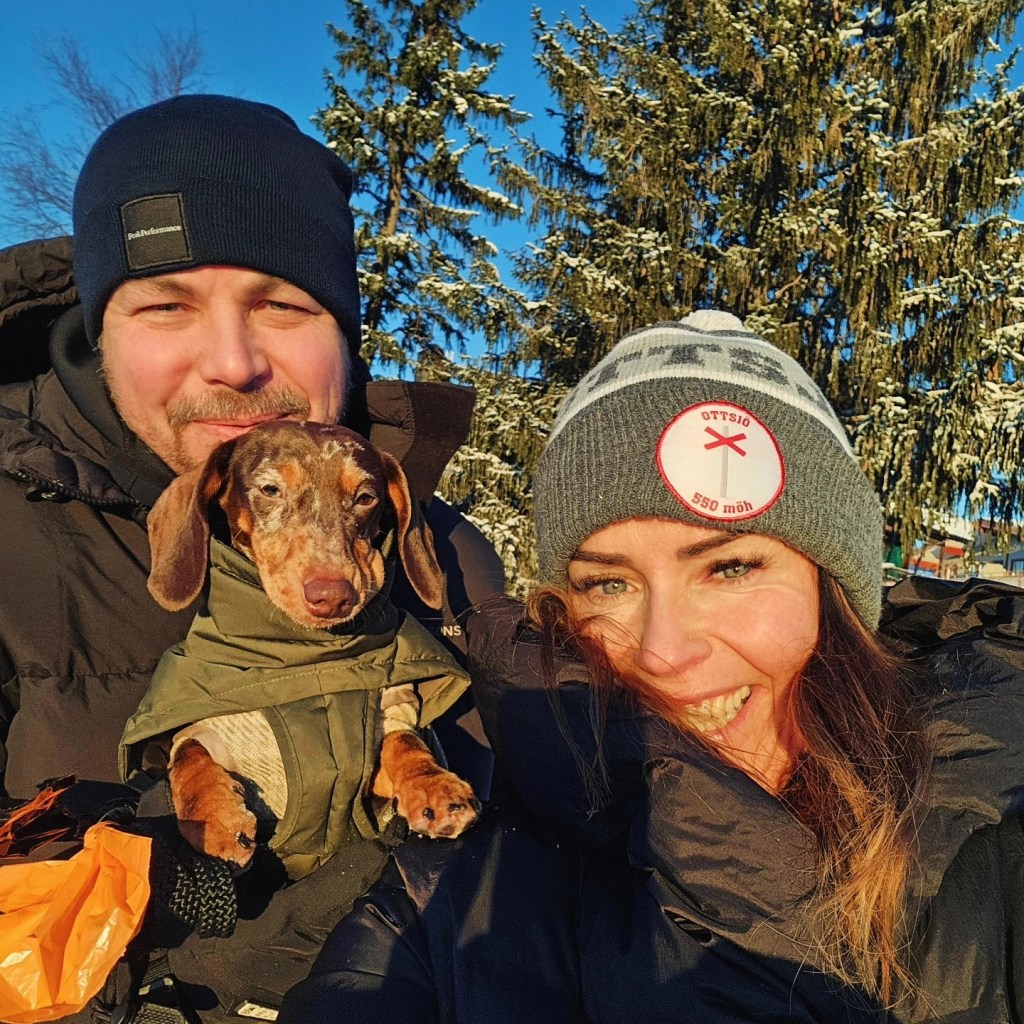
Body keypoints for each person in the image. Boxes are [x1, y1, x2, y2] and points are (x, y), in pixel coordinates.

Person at [281, 312, 1024, 1023]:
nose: (663, 652)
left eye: (730, 567)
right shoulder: (451, 914)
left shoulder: (999, 825)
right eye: (609, 584)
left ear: (834, 589)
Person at [0, 94, 503, 1022]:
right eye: (167, 305)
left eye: (281, 304)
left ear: (342, 333)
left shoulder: (445, 553)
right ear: (101, 329)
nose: (233, 363)